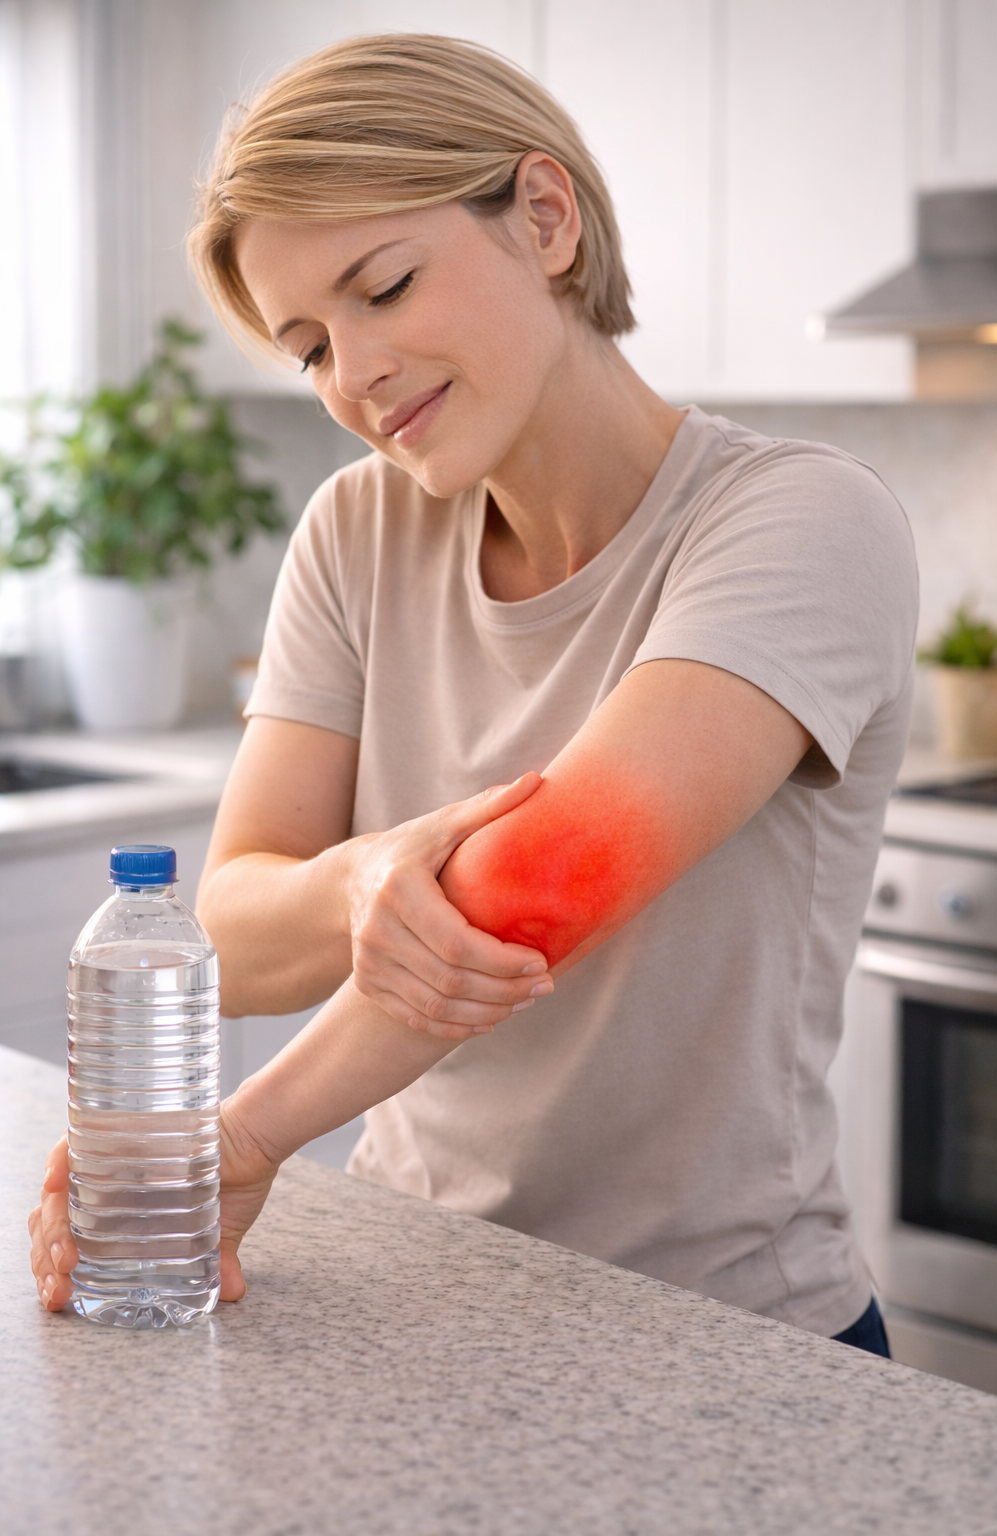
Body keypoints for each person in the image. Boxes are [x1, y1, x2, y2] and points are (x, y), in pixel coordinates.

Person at [29, 34, 917, 1357]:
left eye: (384, 287)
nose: (353, 375)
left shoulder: (801, 519)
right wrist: (358, 882)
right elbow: (232, 929)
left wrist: (243, 1139)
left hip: (726, 1333)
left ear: (545, 218)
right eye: (309, 348)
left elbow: (541, 883)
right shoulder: (357, 532)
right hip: (414, 1288)